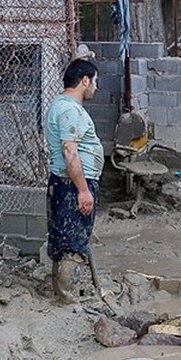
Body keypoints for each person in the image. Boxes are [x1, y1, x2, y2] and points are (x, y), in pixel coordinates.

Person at [44, 58, 105, 303]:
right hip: (73, 185)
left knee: (64, 240)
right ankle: (70, 299)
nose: (96, 88)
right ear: (85, 80)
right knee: (73, 243)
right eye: (95, 82)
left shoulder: (59, 105)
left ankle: (62, 292)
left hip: (64, 183)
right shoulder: (70, 109)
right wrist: (83, 190)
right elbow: (70, 151)